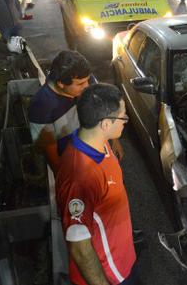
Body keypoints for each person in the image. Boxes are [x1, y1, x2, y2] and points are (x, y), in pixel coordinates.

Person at [56, 83, 138, 285]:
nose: (126, 121)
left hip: (122, 259)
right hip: (109, 275)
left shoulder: (96, 141)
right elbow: (79, 247)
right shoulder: (80, 176)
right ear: (105, 124)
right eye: (123, 116)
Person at [29, 51, 93, 172]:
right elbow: (49, 148)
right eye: (80, 84)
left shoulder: (78, 76)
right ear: (61, 83)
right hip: (72, 165)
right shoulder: (41, 106)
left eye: (87, 80)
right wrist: (63, 177)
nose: (87, 86)